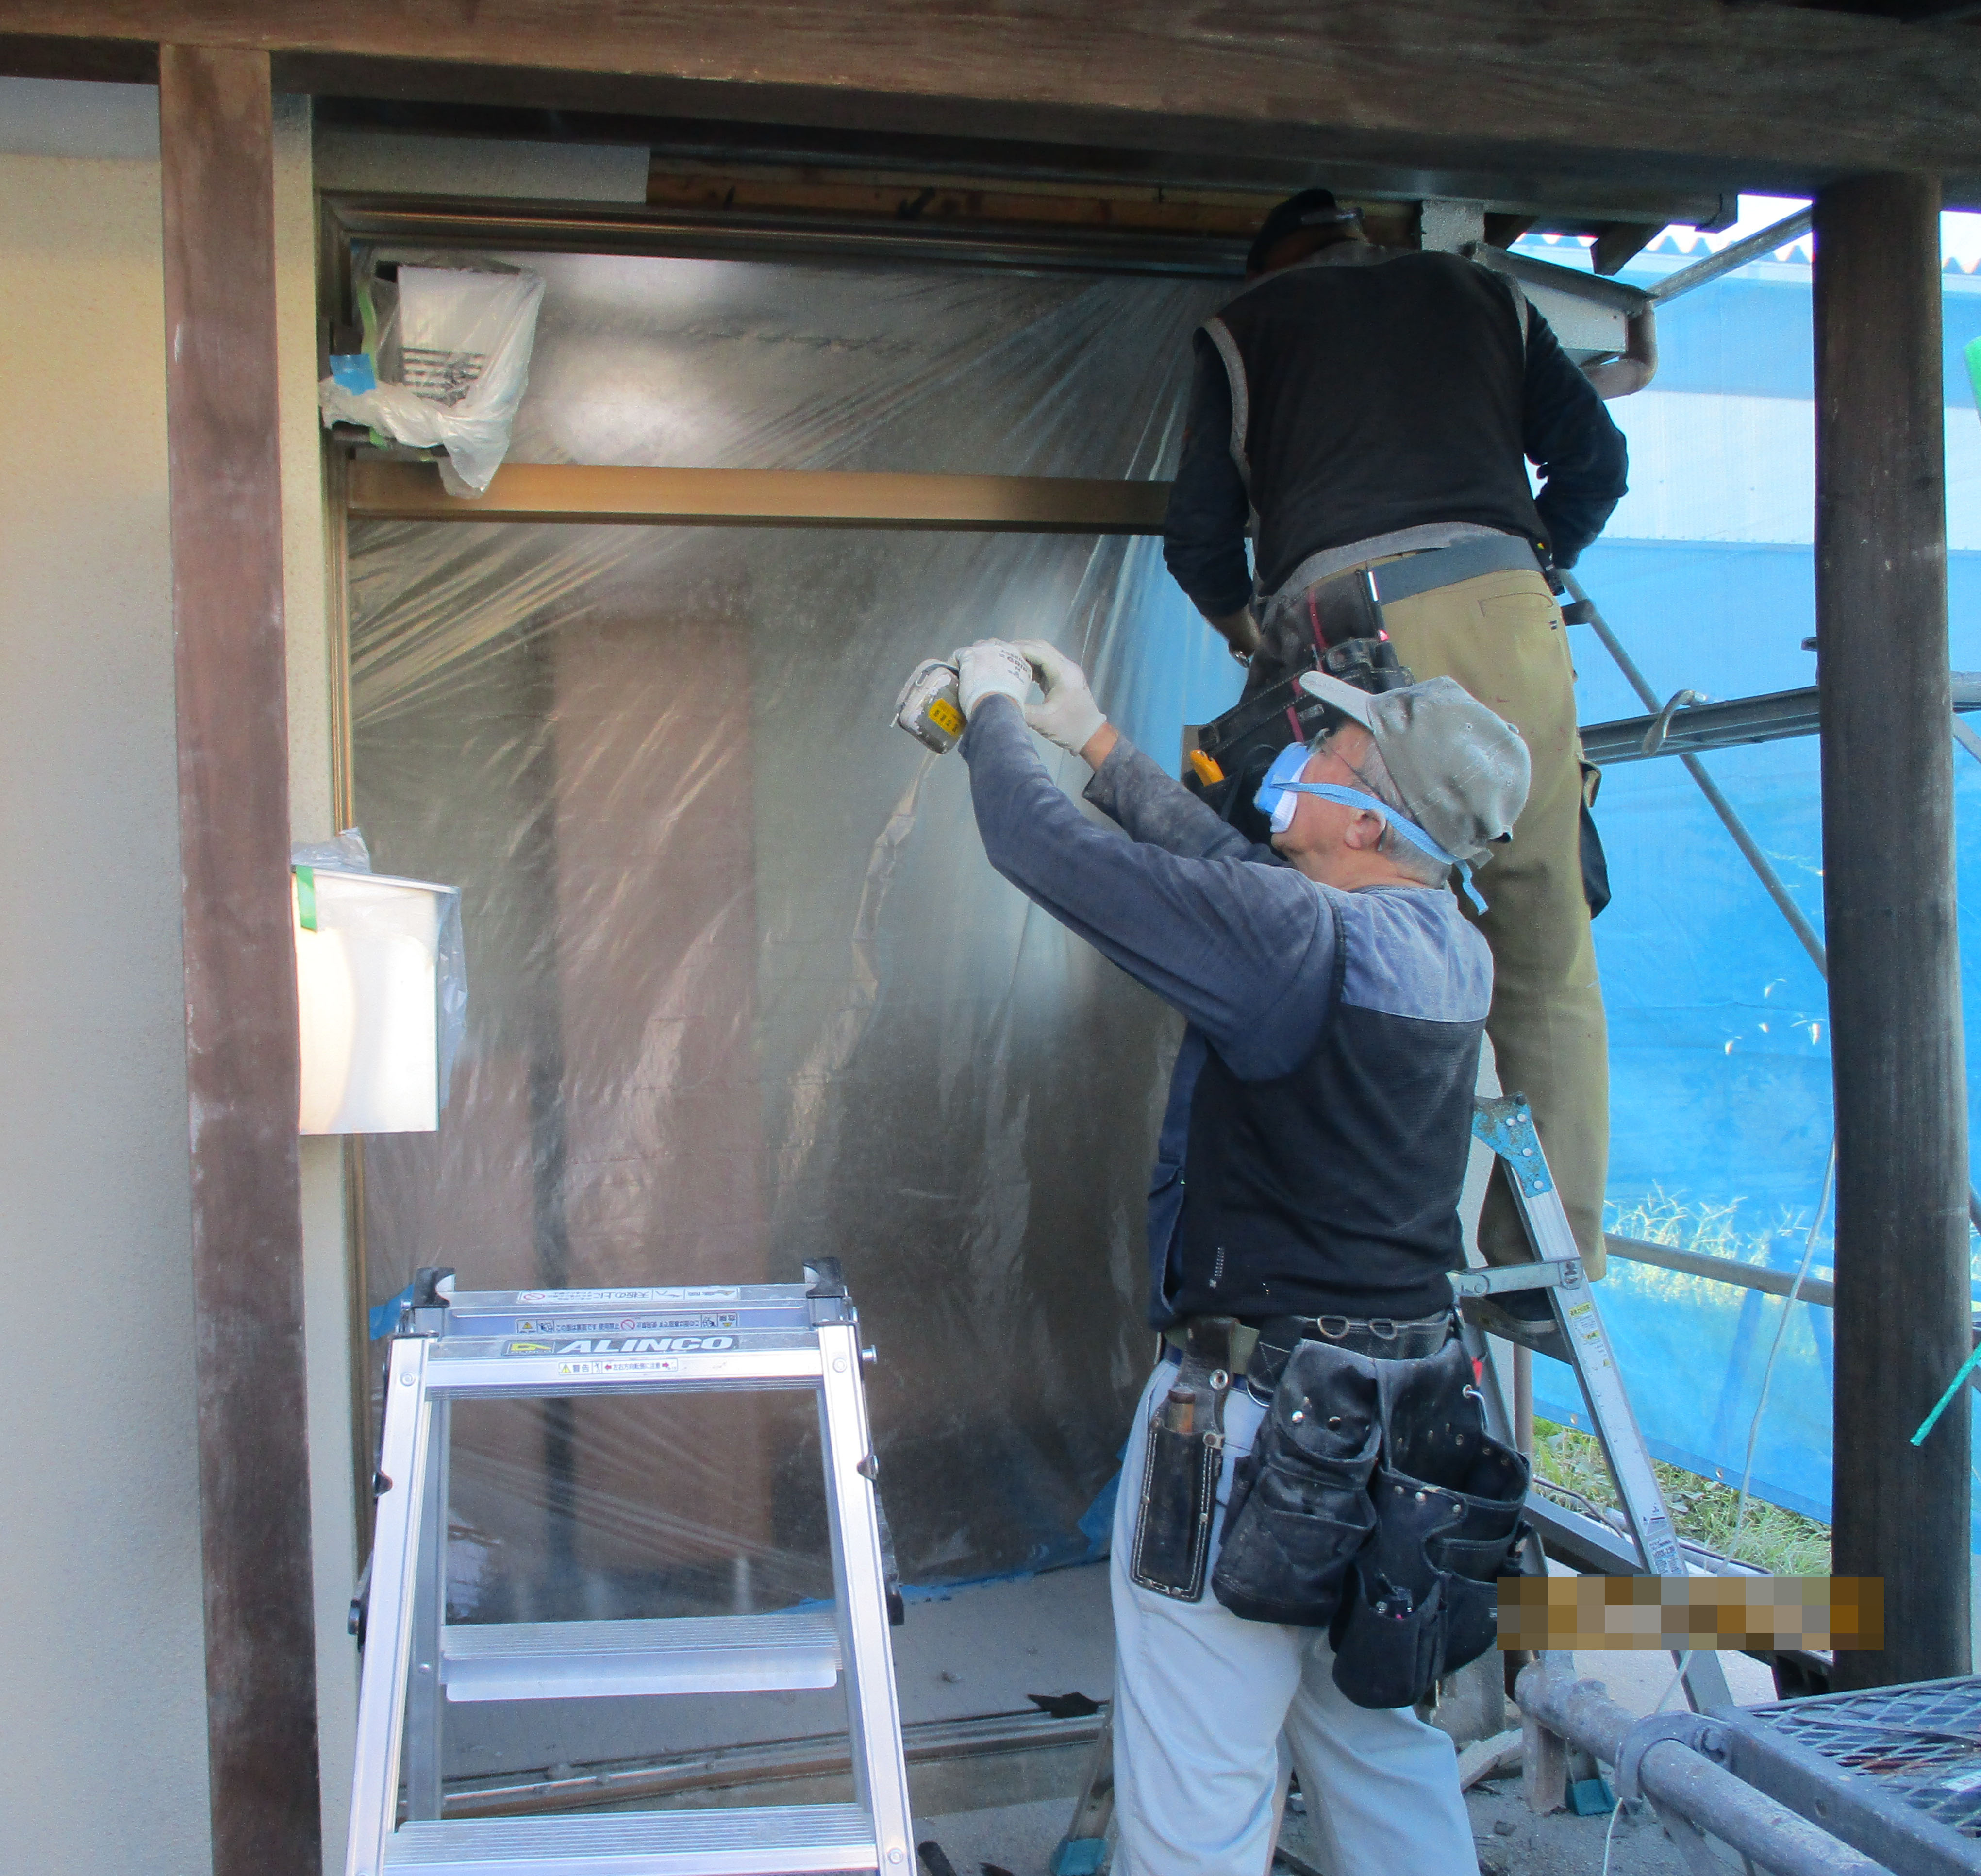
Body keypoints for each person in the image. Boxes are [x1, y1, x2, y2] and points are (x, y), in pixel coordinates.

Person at [939, 635, 1532, 1876]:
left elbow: (1042, 849)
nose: (1300, 754)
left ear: (1365, 825)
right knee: (1378, 1744)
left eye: (1333, 750)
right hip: (1403, 1419)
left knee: (1198, 1784)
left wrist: (988, 710)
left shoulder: (1292, 936)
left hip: (1255, 1428)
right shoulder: (1446, 943)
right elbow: (1230, 873)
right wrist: (1097, 741)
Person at [1163, 185, 1630, 1308]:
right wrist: (1527, 571)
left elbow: (1199, 542)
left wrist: (1251, 643)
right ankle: (1548, 1266)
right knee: (1545, 936)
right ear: (1362, 238)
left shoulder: (1243, 328)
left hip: (1356, 633)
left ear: (1268, 265)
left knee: (1331, 927)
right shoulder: (1482, 294)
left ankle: (1325, 1264)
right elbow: (1596, 463)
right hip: (1512, 608)